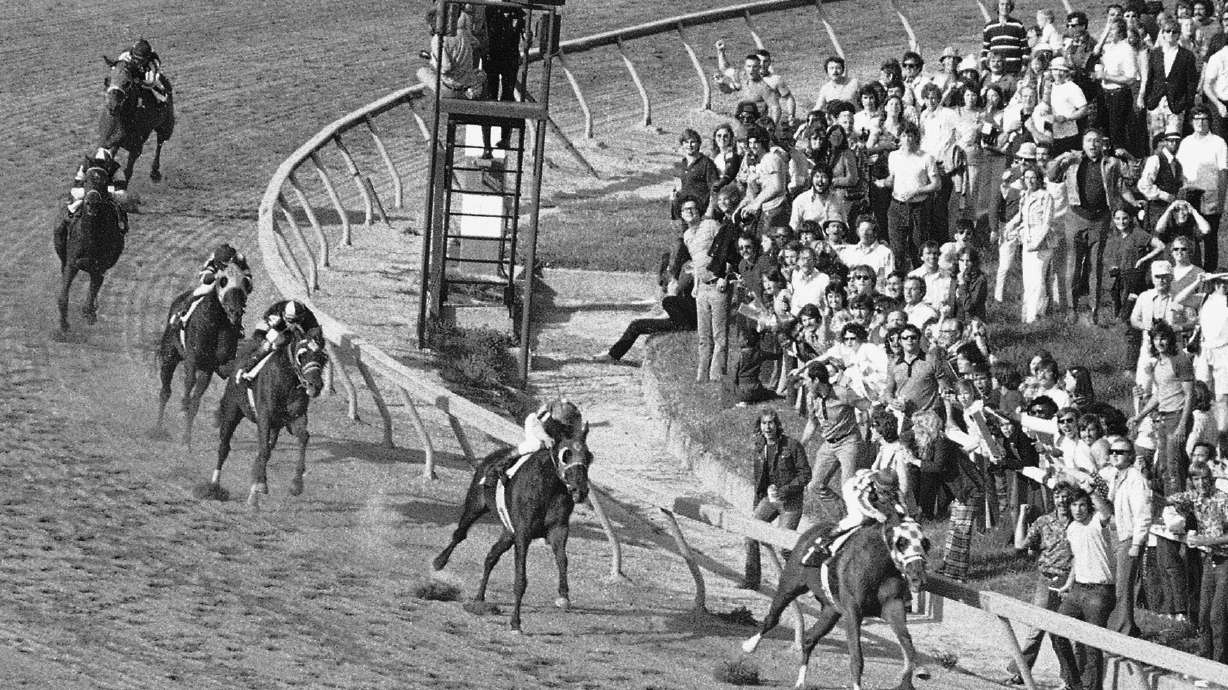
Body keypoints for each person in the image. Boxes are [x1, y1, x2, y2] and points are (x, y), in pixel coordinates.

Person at [1048, 128, 1139, 325]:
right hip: (1075, 216)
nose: (1092, 145)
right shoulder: (1073, 161)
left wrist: (1128, 156)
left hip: (1100, 219)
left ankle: (1093, 311)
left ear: (1102, 144)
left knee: (1095, 266)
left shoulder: (1112, 163)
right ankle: (1071, 310)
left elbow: (1133, 176)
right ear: (1083, 144)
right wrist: (1060, 159)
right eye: (1089, 141)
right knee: (1073, 264)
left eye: (1096, 141)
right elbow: (1052, 176)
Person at [1007, 481, 1076, 685]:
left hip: (1071, 582)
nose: (1062, 501)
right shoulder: (1044, 521)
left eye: (1066, 496)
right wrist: (1022, 517)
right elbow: (1021, 545)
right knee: (1037, 628)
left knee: (1063, 633)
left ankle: (1071, 679)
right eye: (1058, 496)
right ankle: (1021, 671)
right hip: (1046, 581)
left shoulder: (1079, 522)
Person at [1051, 486, 1116, 690]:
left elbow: (1106, 513)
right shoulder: (1072, 529)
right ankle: (1074, 683)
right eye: (1074, 505)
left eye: (1082, 505)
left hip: (1100, 592)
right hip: (1078, 589)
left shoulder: (1098, 521)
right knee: (1056, 631)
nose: (1078, 510)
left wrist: (1092, 492)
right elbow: (1078, 558)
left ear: (1089, 507)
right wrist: (1069, 584)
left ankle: (1092, 688)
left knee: (1091, 645)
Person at [741, 409, 810, 589]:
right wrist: (757, 505)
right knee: (750, 533)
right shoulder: (759, 447)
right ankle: (752, 580)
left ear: (777, 425)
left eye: (771, 423)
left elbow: (805, 474)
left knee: (786, 547)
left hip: (790, 501)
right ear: (760, 426)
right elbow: (760, 479)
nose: (768, 427)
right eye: (764, 423)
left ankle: (803, 581)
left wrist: (786, 490)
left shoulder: (792, 445)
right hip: (769, 499)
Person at [1166, 461, 1228, 662]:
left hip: (1225, 561)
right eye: (1196, 478)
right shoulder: (1195, 497)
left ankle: (1219, 667)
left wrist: (1205, 540)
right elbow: (1169, 500)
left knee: (1217, 617)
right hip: (1210, 560)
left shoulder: (1222, 499)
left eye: (1204, 478)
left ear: (1211, 478)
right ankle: (1203, 661)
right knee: (1203, 615)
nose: (1200, 482)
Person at [1130, 321, 1196, 496]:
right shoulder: (1158, 363)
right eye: (1156, 338)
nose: (1160, 342)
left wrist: (1182, 424)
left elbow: (1190, 394)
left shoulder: (1180, 360)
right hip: (1164, 418)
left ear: (1170, 339)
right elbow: (1160, 394)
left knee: (1174, 463)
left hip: (1178, 415)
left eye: (1164, 338)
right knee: (1165, 465)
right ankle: (1171, 503)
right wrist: (1140, 416)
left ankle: (1179, 505)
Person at [800, 362, 871, 521]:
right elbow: (812, 424)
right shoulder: (811, 398)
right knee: (815, 486)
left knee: (848, 487)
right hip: (829, 444)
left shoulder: (843, 393)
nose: (804, 384)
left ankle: (858, 520)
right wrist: (800, 445)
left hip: (848, 443)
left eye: (807, 380)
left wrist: (866, 430)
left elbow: (866, 407)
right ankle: (845, 518)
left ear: (816, 380)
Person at [1101, 436, 1153, 637]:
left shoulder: (1136, 479)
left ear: (1130, 455)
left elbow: (1144, 514)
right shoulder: (1116, 475)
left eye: (1120, 452)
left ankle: (1123, 633)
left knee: (1123, 588)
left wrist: (1137, 543)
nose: (1114, 455)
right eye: (1112, 452)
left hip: (1130, 538)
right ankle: (1125, 628)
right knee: (1117, 586)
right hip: (1117, 536)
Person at [595, 271, 696, 363]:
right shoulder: (686, 268)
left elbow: (676, 292)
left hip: (684, 321)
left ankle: (613, 355)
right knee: (637, 325)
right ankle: (613, 354)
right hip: (682, 318)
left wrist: (674, 282)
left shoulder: (689, 268)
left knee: (639, 323)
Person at [879, 122, 940, 273]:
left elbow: (936, 184)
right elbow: (892, 179)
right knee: (897, 250)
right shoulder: (893, 156)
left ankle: (920, 282)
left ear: (916, 137)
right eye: (904, 135)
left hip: (918, 208)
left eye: (911, 135)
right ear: (899, 138)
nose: (907, 139)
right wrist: (883, 182)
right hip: (897, 207)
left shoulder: (926, 157)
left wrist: (917, 191)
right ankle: (899, 284)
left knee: (918, 249)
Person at [1176, 106, 1228, 270]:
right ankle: (1191, 271)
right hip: (1189, 195)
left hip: (1210, 195)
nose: (1201, 123)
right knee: (1189, 236)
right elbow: (1179, 170)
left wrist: (1220, 202)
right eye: (1197, 119)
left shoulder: (1218, 143)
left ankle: (1210, 272)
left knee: (1210, 237)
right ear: (1191, 122)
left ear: (1209, 122)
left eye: (1204, 119)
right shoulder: (1186, 142)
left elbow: (1223, 173)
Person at [485, 399, 585, 485]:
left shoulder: (576, 420)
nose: (563, 426)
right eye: (560, 423)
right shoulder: (550, 414)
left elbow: (575, 441)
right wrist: (546, 438)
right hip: (536, 424)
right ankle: (504, 463)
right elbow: (537, 428)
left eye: (566, 425)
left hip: (554, 431)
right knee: (537, 445)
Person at [1008, 164, 1056, 322]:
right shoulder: (1025, 195)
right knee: (1028, 280)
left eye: (1033, 177)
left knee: (1037, 278)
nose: (1030, 181)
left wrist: (1037, 242)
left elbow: (1047, 223)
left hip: (1042, 242)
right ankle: (1032, 312)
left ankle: (1033, 316)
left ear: (1039, 179)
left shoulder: (1045, 196)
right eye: (1027, 178)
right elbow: (1021, 216)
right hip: (1027, 240)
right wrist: (1010, 225)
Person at [236, 299, 321, 385]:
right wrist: (270, 329)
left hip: (301, 335)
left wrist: (314, 341)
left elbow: (316, 332)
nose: (294, 324)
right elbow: (261, 330)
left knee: (313, 347)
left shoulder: (308, 318)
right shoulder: (275, 314)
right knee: (270, 342)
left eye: (298, 321)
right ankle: (248, 369)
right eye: (291, 321)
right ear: (284, 315)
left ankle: (313, 377)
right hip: (280, 332)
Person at [1141, 21, 1198, 142]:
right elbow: (1150, 78)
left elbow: (1191, 82)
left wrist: (1186, 102)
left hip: (1176, 105)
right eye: (1168, 31)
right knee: (1156, 140)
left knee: (1174, 140)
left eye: (1174, 31)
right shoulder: (1155, 54)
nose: (1171, 33)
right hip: (1156, 103)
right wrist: (1148, 99)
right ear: (1162, 33)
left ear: (1178, 35)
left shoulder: (1187, 55)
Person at [418, 3, 486, 100]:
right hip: (467, 83)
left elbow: (446, 67)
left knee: (421, 72)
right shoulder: (462, 32)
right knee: (480, 73)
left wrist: (433, 61)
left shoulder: (437, 39)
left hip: (451, 89)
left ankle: (434, 98)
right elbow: (476, 43)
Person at [670, 129, 720, 220]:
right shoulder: (683, 163)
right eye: (686, 142)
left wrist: (710, 211)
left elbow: (715, 189)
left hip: (701, 211)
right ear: (682, 145)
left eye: (693, 142)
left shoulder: (707, 163)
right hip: (686, 211)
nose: (689, 145)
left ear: (699, 144)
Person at [1046, 57, 1089, 156]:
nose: (1058, 73)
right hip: (1051, 134)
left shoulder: (1072, 87)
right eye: (1056, 70)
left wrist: (1067, 118)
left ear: (1067, 72)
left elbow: (1084, 109)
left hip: (1069, 135)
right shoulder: (1048, 87)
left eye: (1062, 70)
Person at [982, 0, 1029, 74]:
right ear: (997, 6)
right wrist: (984, 68)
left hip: (1014, 69)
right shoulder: (989, 27)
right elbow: (985, 50)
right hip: (996, 70)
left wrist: (1024, 65)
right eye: (1002, 4)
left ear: (1011, 6)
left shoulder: (1018, 25)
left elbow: (1025, 48)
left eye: (1007, 4)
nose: (1005, 7)